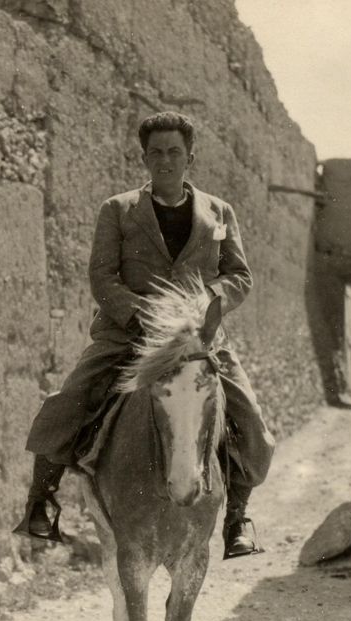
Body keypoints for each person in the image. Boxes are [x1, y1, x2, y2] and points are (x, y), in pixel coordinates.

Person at [16, 111, 275, 558]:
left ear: (190, 157)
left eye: (174, 152)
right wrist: (137, 313)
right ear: (144, 158)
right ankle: (42, 502)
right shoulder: (118, 210)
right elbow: (102, 275)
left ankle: (238, 517)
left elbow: (240, 276)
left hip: (198, 338)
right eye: (156, 153)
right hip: (130, 335)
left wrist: (205, 302)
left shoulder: (219, 212)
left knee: (247, 415)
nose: (165, 161)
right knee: (70, 398)